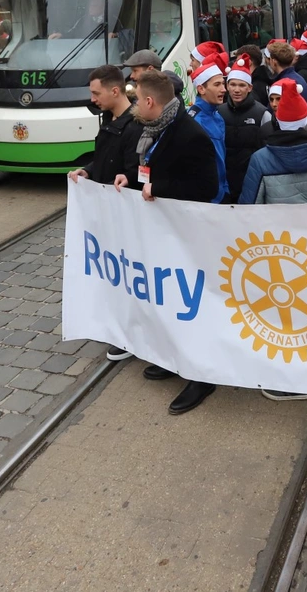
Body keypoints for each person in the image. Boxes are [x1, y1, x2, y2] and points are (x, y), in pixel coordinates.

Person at [111, 71, 219, 415]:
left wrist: (159, 188)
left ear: (149, 101)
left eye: (136, 100)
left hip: (187, 234)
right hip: (162, 231)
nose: (132, 107)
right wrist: (132, 177)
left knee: (190, 305)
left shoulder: (191, 134)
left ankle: (201, 375)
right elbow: (150, 168)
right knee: (167, 300)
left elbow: (206, 188)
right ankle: (174, 360)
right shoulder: (155, 128)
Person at [70, 63, 143, 364]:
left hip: (124, 214)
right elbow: (103, 159)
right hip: (107, 212)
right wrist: (87, 171)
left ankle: (129, 334)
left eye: (96, 93)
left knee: (127, 273)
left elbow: (134, 171)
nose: (93, 99)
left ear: (115, 91)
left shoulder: (135, 124)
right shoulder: (110, 118)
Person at [239, 80, 307, 205]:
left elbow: (250, 206)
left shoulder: (260, 159)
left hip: (275, 224)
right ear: (304, 120)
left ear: (279, 120)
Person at [219, 56, 270, 203]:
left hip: (251, 180)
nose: (236, 90)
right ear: (227, 86)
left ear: (250, 88)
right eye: (233, 84)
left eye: (242, 85)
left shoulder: (262, 114)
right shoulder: (219, 112)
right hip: (226, 181)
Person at [187, 55, 229, 203]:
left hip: (220, 193)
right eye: (217, 85)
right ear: (201, 89)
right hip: (207, 199)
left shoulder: (217, 115)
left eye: (223, 84)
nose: (224, 89)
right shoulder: (195, 121)